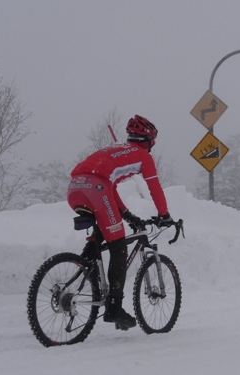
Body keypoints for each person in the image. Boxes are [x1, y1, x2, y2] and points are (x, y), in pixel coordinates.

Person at [67, 114, 173, 330]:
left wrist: (127, 215)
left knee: (104, 234)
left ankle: (85, 263)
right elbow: (155, 188)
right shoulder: (143, 157)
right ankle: (114, 307)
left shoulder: (113, 150)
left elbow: (110, 187)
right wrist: (164, 215)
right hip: (96, 187)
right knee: (118, 246)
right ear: (149, 141)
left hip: (75, 187)